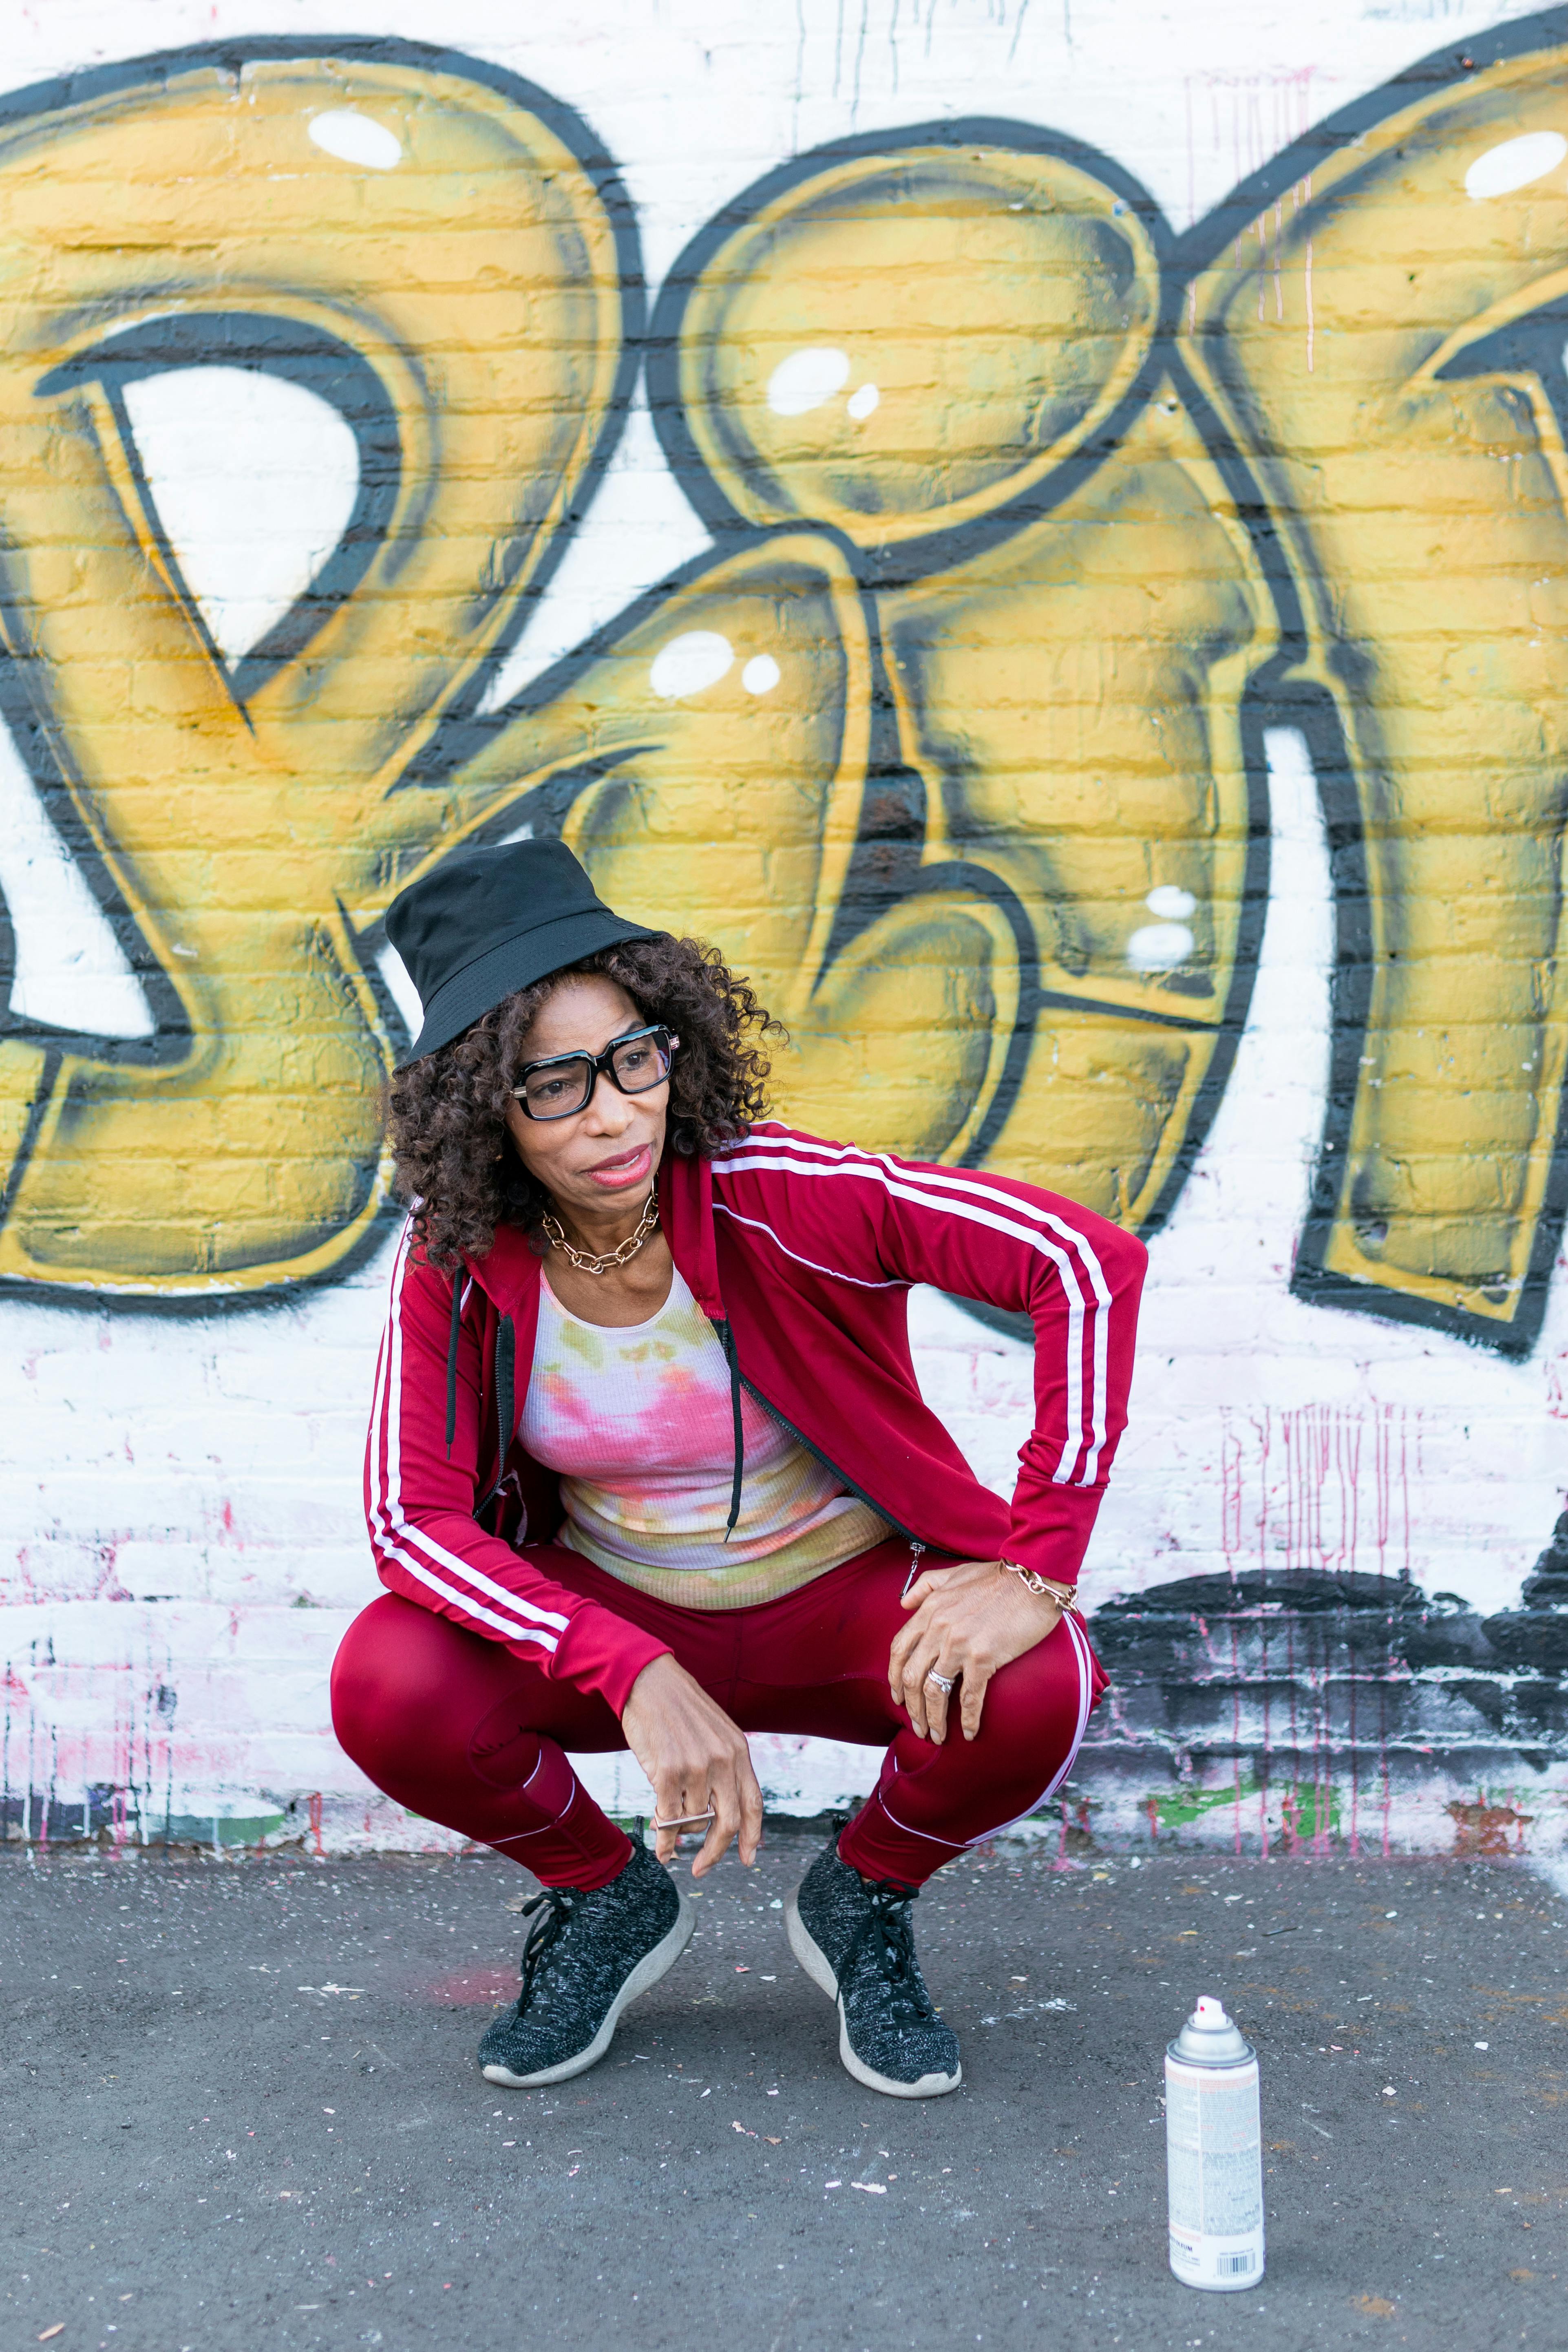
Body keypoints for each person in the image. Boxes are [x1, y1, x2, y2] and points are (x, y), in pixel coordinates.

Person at [331, 839, 1145, 2099]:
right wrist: (627, 1664)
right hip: (621, 1610)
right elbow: (413, 1521)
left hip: (843, 1601)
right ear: (479, 1104)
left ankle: (864, 1896)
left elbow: (1083, 1265)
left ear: (675, 1046)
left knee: (1039, 1675)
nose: (612, 1112)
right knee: (389, 1676)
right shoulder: (462, 1260)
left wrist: (1035, 1562)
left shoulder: (786, 1195)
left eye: (632, 1058)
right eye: (551, 1085)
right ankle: (604, 1901)